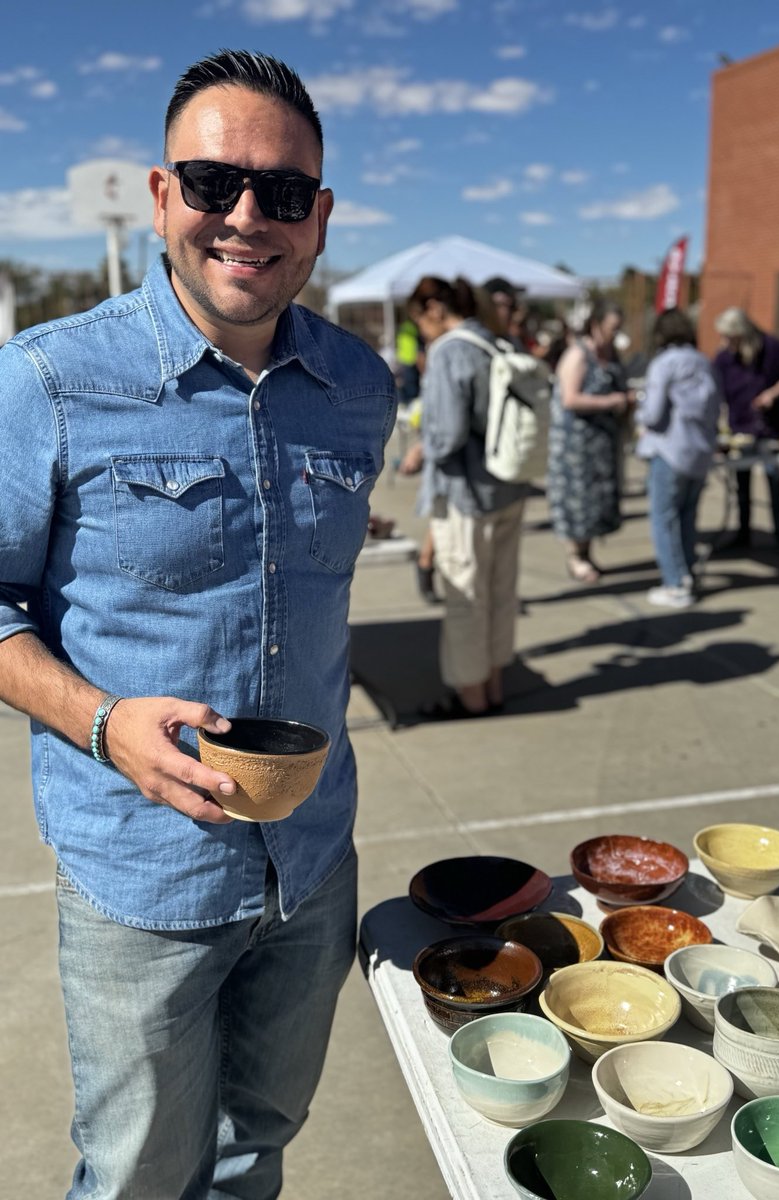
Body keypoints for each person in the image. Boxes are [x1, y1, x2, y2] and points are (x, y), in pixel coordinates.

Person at [0, 50, 396, 1199]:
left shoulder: (361, 387)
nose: (246, 216)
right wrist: (103, 721)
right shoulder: (51, 379)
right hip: (144, 879)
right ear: (162, 194)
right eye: (215, 182)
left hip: (310, 864)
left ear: (320, 216)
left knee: (254, 1151)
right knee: (139, 1175)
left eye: (283, 192)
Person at [408, 275, 530, 717]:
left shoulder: (450, 350)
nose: (421, 332)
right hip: (509, 486)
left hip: (466, 492)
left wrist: (423, 447)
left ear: (434, 309)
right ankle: (493, 685)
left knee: (466, 596)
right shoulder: (498, 342)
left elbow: (448, 433)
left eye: (419, 321)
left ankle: (471, 697)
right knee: (500, 593)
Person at [636, 308, 721, 608]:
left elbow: (652, 413)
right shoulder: (703, 362)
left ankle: (675, 583)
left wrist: (637, 414)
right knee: (687, 519)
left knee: (664, 519)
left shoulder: (664, 363)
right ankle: (687, 575)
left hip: (669, 451)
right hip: (699, 452)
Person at [546, 301, 632, 583]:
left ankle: (586, 552)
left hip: (601, 443)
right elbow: (569, 399)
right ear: (595, 325)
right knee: (577, 502)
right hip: (576, 445)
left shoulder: (611, 354)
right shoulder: (578, 355)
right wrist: (611, 401)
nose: (614, 334)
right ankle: (575, 557)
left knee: (595, 502)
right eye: (611, 328)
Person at [713, 307, 779, 549]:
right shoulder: (724, 357)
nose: (726, 342)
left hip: (769, 425)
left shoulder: (772, 347)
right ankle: (743, 531)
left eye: (731, 337)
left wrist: (772, 394)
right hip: (740, 426)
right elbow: (715, 389)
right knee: (742, 480)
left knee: (773, 477)